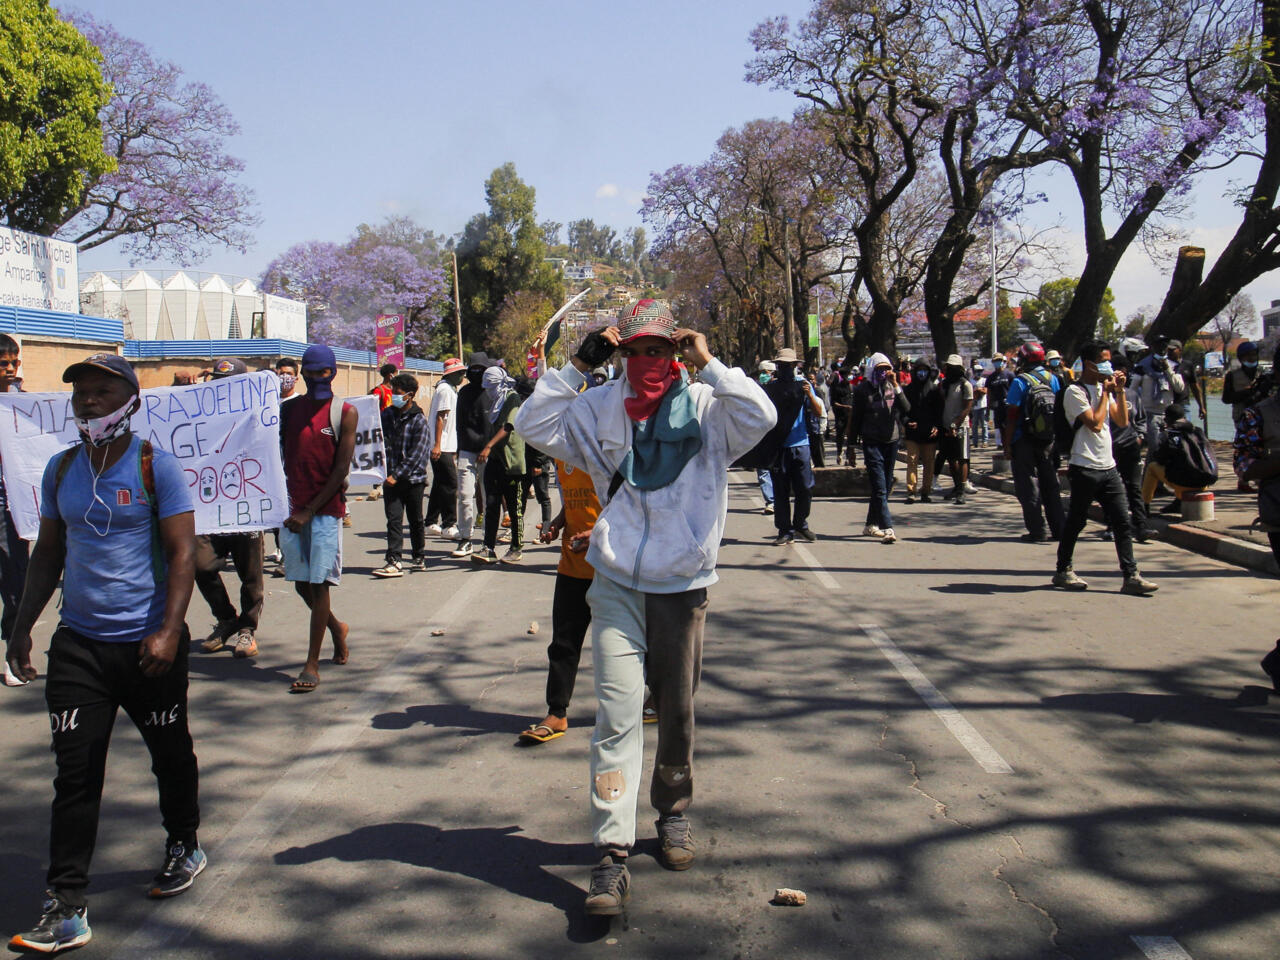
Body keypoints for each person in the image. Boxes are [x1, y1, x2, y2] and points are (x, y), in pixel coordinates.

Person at [513, 299, 774, 917]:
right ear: (622, 353)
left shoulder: (710, 410)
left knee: (677, 710)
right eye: (635, 351)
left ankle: (673, 811)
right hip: (615, 583)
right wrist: (579, 364)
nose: (646, 362)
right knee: (617, 711)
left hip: (682, 585)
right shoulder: (600, 406)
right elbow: (532, 423)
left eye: (660, 349)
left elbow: (761, 414)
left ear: (676, 351)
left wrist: (711, 364)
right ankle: (611, 853)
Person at [5, 354, 202, 953]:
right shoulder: (61, 469)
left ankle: (183, 842)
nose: (88, 401)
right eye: (81, 393)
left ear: (130, 400)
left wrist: (169, 631)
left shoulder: (156, 467)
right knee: (76, 774)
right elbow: (47, 555)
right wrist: (19, 628)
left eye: (101, 391)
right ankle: (66, 905)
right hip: (80, 648)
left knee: (170, 754)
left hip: (149, 647)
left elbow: (182, 555)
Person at [1052, 341, 1159, 595]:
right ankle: (1063, 569)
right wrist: (1105, 394)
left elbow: (1122, 420)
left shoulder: (1103, 389)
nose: (1108, 366)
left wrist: (1119, 392)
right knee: (1076, 521)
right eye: (1103, 360)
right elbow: (1095, 424)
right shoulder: (1075, 392)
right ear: (1089, 364)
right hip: (1084, 466)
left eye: (1109, 360)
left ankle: (1131, 575)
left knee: (1123, 521)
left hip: (1108, 467)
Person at [279, 344, 354, 692]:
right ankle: (337, 627)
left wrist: (310, 510)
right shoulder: (289, 410)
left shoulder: (344, 412)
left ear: (333, 372)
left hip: (323, 511)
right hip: (292, 511)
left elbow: (341, 469)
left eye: (323, 372)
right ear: (302, 374)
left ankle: (311, 663)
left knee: (320, 583)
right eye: (310, 373)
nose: (317, 378)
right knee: (301, 583)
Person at [518, 453, 601, 744]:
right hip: (572, 564)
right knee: (563, 644)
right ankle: (556, 712)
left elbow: (629, 503)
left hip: (612, 568)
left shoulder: (608, 444)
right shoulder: (561, 451)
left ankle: (657, 696)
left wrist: (601, 533)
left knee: (630, 642)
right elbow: (573, 501)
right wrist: (557, 522)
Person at [193, 358, 265, 658]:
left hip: (245, 506)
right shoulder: (199, 414)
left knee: (251, 574)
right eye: (217, 381)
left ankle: (247, 628)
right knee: (200, 564)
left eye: (228, 382)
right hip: (209, 506)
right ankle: (226, 618)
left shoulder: (258, 414)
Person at [1004, 342, 1065, 542]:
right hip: (1048, 440)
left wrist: (1007, 444)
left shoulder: (1020, 381)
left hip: (1024, 440)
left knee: (1028, 486)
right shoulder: (1054, 380)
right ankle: (1059, 529)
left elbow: (1012, 415)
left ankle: (1037, 530)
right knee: (1051, 485)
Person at [763, 349, 823, 545]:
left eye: (789, 366)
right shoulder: (771, 388)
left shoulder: (804, 385)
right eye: (782, 366)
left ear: (795, 366)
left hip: (800, 444)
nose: (786, 369)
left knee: (805, 488)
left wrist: (809, 394)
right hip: (779, 446)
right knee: (780, 491)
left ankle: (800, 525)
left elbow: (818, 411)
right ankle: (784, 530)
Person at [373, 373, 431, 577]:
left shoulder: (418, 420)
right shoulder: (387, 415)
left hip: (412, 480)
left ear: (410, 395)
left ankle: (418, 556)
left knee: (415, 520)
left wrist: (397, 475)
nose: (394, 397)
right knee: (394, 519)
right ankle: (394, 559)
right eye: (392, 393)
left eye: (397, 394)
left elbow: (418, 453)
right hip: (390, 480)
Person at [851, 353, 909, 543]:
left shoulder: (892, 387)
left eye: (886, 369)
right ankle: (888, 527)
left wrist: (897, 385)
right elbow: (856, 418)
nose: (883, 373)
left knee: (883, 486)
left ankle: (870, 525)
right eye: (879, 369)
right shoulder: (862, 390)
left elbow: (907, 409)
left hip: (891, 441)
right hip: (872, 442)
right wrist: (851, 445)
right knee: (879, 486)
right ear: (872, 370)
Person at [475, 366, 526, 565]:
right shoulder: (495, 401)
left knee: (514, 508)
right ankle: (488, 547)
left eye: (492, 386)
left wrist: (488, 446)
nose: (489, 390)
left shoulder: (511, 398)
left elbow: (508, 426)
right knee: (492, 505)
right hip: (495, 461)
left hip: (511, 462)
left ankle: (516, 547)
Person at [0, 335, 29, 658]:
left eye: (14, 362)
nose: (10, 369)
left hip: (10, 499)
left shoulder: (21, 401)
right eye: (4, 363)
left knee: (16, 577)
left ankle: (14, 648)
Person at [449, 354, 494, 559]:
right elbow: (459, 424)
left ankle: (487, 539)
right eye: (474, 369)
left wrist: (491, 448)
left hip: (488, 453)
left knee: (486, 496)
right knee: (466, 496)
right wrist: (458, 452)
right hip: (467, 451)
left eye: (481, 369)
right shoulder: (464, 393)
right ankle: (465, 538)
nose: (477, 373)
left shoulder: (493, 392)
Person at [1105, 354, 1149, 543]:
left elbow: (1141, 419)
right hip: (1109, 449)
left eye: (1124, 371)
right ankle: (1111, 526)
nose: (1120, 375)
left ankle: (1141, 526)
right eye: (1116, 371)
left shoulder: (1132, 394)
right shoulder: (1103, 394)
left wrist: (1139, 436)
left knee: (1134, 488)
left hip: (1130, 446)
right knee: (1112, 491)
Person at [1141, 404, 1216, 507]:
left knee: (1152, 467)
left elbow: (1160, 459)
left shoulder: (1169, 434)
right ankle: (1178, 502)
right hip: (1204, 483)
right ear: (1184, 417)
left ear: (1167, 419)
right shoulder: (1198, 431)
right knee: (1184, 466)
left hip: (1183, 486)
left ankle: (1145, 504)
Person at [425, 358, 464, 539]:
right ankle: (449, 524)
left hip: (446, 445)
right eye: (459, 373)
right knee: (450, 484)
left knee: (440, 484)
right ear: (451, 374)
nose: (462, 376)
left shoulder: (448, 389)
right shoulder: (446, 391)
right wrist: (438, 445)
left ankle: (431, 521)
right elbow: (441, 418)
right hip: (442, 446)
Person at [902, 358, 942, 504]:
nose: (922, 373)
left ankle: (925, 491)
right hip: (912, 433)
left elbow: (939, 411)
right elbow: (902, 410)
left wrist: (937, 426)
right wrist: (906, 422)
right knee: (912, 461)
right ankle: (911, 491)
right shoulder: (908, 389)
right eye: (919, 370)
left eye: (924, 370)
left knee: (929, 463)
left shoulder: (934, 390)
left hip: (929, 433)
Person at [1135, 337, 1186, 450]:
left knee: (1167, 447)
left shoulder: (1173, 365)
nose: (1162, 348)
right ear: (1153, 347)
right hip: (1149, 412)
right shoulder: (1143, 365)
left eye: (1164, 345)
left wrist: (1168, 370)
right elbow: (1133, 389)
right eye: (1159, 345)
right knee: (1155, 447)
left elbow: (1179, 388)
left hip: (1168, 413)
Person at [938, 355, 974, 505]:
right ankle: (956, 486)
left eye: (953, 368)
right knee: (951, 459)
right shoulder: (944, 384)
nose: (950, 370)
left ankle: (962, 489)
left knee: (962, 458)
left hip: (961, 426)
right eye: (949, 367)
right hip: (946, 425)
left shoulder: (965, 385)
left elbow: (967, 407)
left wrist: (955, 423)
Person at [829, 364, 854, 465]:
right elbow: (834, 403)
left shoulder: (852, 387)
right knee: (840, 435)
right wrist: (845, 407)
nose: (848, 378)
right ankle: (839, 452)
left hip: (850, 415)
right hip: (840, 415)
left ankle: (849, 456)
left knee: (851, 436)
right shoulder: (836, 388)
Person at [969, 359, 989, 447]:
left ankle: (985, 441)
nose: (979, 373)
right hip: (974, 406)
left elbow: (985, 391)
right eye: (977, 371)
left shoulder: (984, 380)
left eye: (980, 371)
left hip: (983, 405)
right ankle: (975, 442)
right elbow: (971, 393)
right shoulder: (970, 381)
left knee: (984, 424)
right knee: (974, 425)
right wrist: (977, 391)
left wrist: (978, 390)